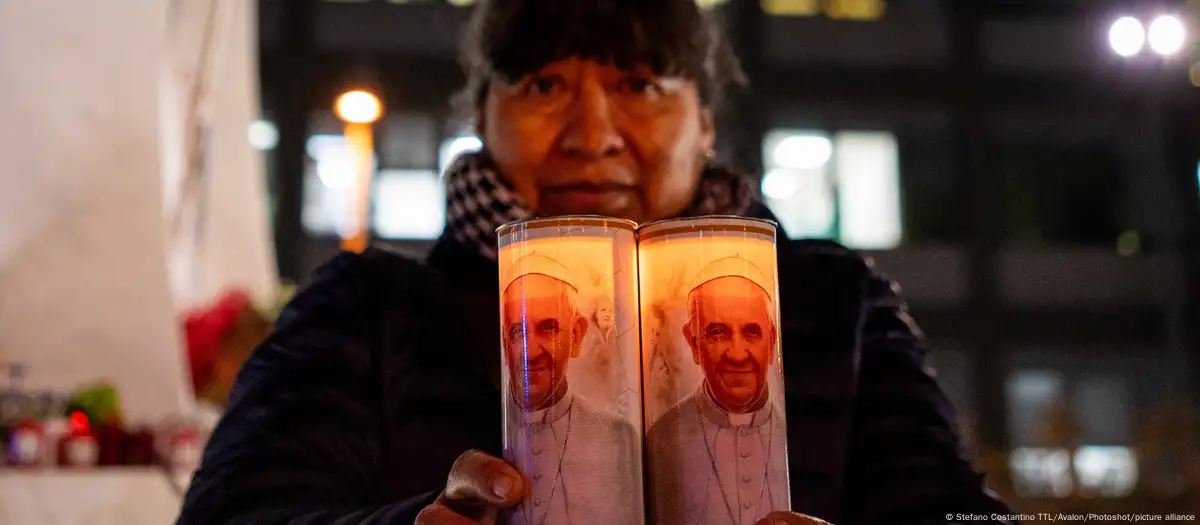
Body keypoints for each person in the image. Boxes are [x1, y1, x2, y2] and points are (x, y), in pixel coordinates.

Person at [177, 0, 1015, 524]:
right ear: (483, 114)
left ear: (707, 123)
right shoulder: (366, 309)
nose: (592, 131)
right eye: (542, 84)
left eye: (641, 84)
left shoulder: (835, 305)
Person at [499, 255, 640, 525]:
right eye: (518, 331)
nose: (531, 352)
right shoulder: (476, 421)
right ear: (505, 342)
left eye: (548, 328)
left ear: (576, 335)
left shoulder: (617, 437)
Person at [646, 258, 789, 525]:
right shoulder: (662, 436)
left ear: (771, 341)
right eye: (718, 332)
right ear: (693, 342)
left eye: (751, 332)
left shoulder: (797, 426)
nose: (737, 354)